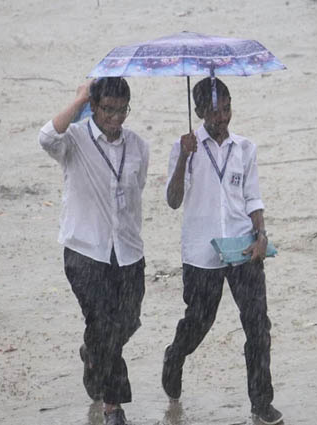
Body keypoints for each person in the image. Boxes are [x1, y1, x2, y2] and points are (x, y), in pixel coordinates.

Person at [162, 77, 283, 425]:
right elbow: (172, 201)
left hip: (243, 248)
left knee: (258, 326)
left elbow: (253, 198)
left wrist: (261, 235)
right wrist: (184, 159)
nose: (222, 118)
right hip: (201, 252)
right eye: (214, 111)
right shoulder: (185, 147)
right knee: (200, 321)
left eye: (227, 109)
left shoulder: (245, 148)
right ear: (199, 112)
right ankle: (175, 355)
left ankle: (262, 403)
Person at [38, 77, 149, 425]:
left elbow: (135, 194)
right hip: (85, 249)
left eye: (121, 110)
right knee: (103, 323)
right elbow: (46, 137)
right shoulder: (75, 139)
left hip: (128, 250)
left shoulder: (139, 146)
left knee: (127, 321)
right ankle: (113, 406)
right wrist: (79, 99)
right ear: (94, 107)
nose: (114, 118)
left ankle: (92, 354)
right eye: (107, 110)